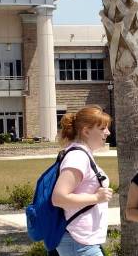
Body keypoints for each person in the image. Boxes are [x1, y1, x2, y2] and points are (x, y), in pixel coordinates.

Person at [51, 105, 113, 256]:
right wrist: (96, 198)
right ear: (86, 131)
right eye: (103, 128)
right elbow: (59, 198)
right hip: (78, 242)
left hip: (81, 241)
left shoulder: (82, 154)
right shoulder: (78, 157)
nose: (108, 132)